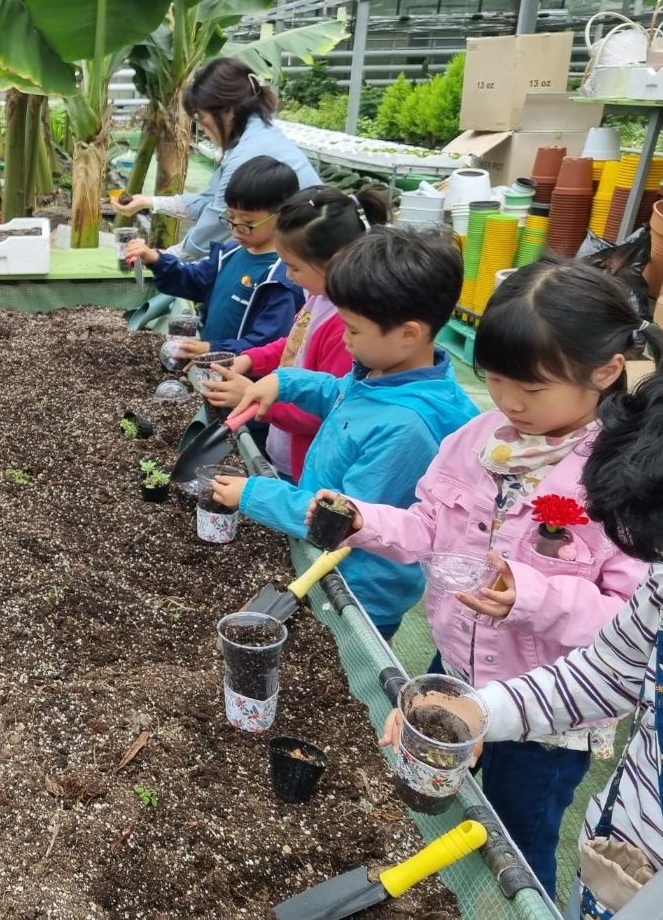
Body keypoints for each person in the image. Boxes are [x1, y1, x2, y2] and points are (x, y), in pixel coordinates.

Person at [315, 259, 655, 898]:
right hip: (459, 664)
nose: (510, 402)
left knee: (518, 841)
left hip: (549, 717)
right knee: (457, 800)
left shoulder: (623, 483)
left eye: (532, 387)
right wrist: (363, 520)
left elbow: (630, 623)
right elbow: (426, 528)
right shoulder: (477, 440)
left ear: (606, 371)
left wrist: (531, 595)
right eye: (495, 379)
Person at [382, 369, 663, 920]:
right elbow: (610, 669)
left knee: (523, 832)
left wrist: (535, 600)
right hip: (621, 861)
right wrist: (476, 710)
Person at [211, 227, 478, 638]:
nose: (343, 338)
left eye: (352, 329)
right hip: (321, 558)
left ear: (408, 334)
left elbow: (337, 521)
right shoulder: (383, 374)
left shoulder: (408, 428)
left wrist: (250, 494)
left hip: (357, 591)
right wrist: (284, 382)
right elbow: (339, 393)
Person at [200, 186, 386, 482]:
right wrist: (249, 360)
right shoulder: (319, 297)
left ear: (336, 261)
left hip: (308, 467)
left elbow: (325, 409)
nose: (288, 277)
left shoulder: (347, 327)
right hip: (283, 451)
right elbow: (295, 345)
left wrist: (255, 400)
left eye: (294, 267)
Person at [112, 58, 319, 260]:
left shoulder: (247, 154)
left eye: (201, 117)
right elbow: (211, 200)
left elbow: (218, 219)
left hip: (308, 252)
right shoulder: (259, 134)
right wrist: (148, 202)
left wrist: (164, 257)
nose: (200, 127)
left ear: (228, 111)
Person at [123, 156, 304, 359]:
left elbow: (269, 343)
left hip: (247, 381)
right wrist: (156, 259)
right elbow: (192, 280)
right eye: (230, 217)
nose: (235, 228)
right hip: (212, 365)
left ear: (282, 215)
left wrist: (213, 348)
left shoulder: (282, 276)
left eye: (247, 221)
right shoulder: (229, 254)